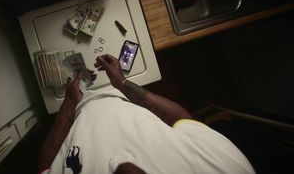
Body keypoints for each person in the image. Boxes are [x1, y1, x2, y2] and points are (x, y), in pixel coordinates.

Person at [38, 54, 255, 174]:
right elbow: (181, 119)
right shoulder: (229, 169)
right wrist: (123, 83)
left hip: (76, 108)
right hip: (118, 95)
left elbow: (46, 167)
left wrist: (69, 104)